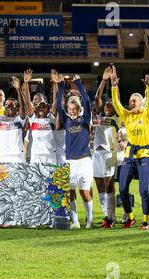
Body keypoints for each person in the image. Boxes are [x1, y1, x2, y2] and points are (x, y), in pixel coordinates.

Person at [110, 67, 149, 230]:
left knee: (143, 189)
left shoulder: (146, 114)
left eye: (134, 100)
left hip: (145, 153)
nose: (131, 102)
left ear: (140, 102)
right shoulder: (126, 115)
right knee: (122, 189)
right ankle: (131, 217)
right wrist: (114, 87)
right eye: (130, 101)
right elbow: (116, 104)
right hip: (129, 153)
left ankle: (145, 220)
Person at [55, 70, 94, 229]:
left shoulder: (85, 119)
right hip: (70, 162)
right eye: (69, 108)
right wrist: (61, 85)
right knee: (70, 193)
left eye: (74, 108)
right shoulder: (65, 119)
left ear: (78, 109)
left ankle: (89, 219)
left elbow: (86, 100)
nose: (71, 111)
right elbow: (59, 105)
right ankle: (75, 221)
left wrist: (78, 83)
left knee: (85, 192)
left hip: (84, 161)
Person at [93, 67, 120, 228]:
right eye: (106, 105)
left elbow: (115, 101)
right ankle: (106, 215)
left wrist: (113, 82)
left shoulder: (118, 117)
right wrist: (103, 80)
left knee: (109, 184)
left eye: (110, 104)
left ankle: (112, 216)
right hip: (96, 152)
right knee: (98, 184)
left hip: (109, 153)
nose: (106, 106)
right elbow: (97, 96)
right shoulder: (99, 116)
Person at [23, 69, 58, 164]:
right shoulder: (33, 118)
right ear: (34, 106)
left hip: (51, 156)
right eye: (36, 101)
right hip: (36, 157)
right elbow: (27, 102)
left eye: (41, 102)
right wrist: (26, 83)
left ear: (47, 105)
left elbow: (56, 101)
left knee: (55, 179)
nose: (39, 104)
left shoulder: (51, 118)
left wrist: (55, 83)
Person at [0, 76, 27, 163]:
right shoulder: (0, 120)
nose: (8, 107)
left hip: (18, 156)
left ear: (16, 109)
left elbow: (23, 106)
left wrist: (18, 89)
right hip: (3, 155)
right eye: (7, 105)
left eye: (11, 105)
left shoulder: (20, 120)